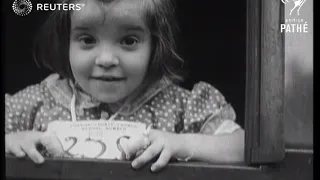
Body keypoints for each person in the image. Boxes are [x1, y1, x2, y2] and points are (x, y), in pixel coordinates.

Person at [5, 0, 244, 172]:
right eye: (88, 40)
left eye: (128, 41)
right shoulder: (37, 103)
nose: (106, 59)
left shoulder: (180, 106)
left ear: (155, 46)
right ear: (66, 41)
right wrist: (11, 143)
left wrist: (180, 144)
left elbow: (244, 147)